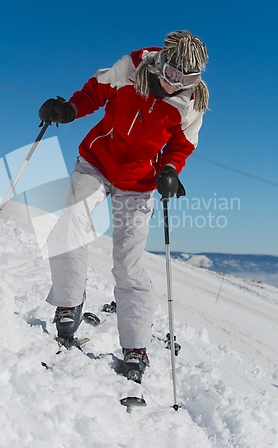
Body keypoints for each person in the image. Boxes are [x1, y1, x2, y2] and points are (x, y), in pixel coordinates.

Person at [38, 30, 209, 383]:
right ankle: (69, 303)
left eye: (188, 79)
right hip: (97, 161)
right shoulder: (135, 66)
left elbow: (182, 144)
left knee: (128, 262)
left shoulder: (193, 102)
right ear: (163, 60)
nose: (177, 84)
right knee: (72, 223)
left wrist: (170, 170)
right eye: (174, 73)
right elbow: (97, 91)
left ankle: (135, 345)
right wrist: (70, 109)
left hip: (139, 183)